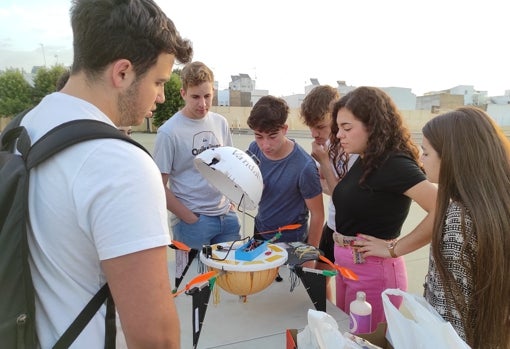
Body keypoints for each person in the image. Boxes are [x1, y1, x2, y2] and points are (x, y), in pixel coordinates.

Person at [19, 1, 193, 347]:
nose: (160, 97)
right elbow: (155, 338)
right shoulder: (118, 164)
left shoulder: (28, 126)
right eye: (158, 81)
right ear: (123, 73)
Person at [329, 86, 437, 331]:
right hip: (347, 265)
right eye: (338, 129)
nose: (339, 135)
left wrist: (395, 248)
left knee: (366, 342)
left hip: (373, 272)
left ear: (373, 125)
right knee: (348, 338)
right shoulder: (367, 159)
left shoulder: (393, 163)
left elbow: (442, 207)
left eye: (347, 128)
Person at [420, 107, 510, 348]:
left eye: (425, 153)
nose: (421, 159)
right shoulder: (498, 207)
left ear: (451, 158)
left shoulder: (457, 221)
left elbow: (450, 319)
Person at [153, 61, 241, 251]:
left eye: (207, 96)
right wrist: (189, 218)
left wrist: (231, 203)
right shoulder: (169, 132)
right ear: (183, 93)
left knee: (229, 279)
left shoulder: (221, 123)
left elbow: (230, 166)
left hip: (227, 218)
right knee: (194, 280)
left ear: (213, 92)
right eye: (195, 97)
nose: (202, 104)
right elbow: (158, 186)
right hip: (193, 223)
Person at [247, 95, 324, 246]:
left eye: (272, 136)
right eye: (259, 136)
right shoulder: (253, 148)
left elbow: (318, 215)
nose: (265, 145)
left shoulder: (305, 166)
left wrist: (310, 257)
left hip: (291, 241)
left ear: (285, 129)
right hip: (260, 231)